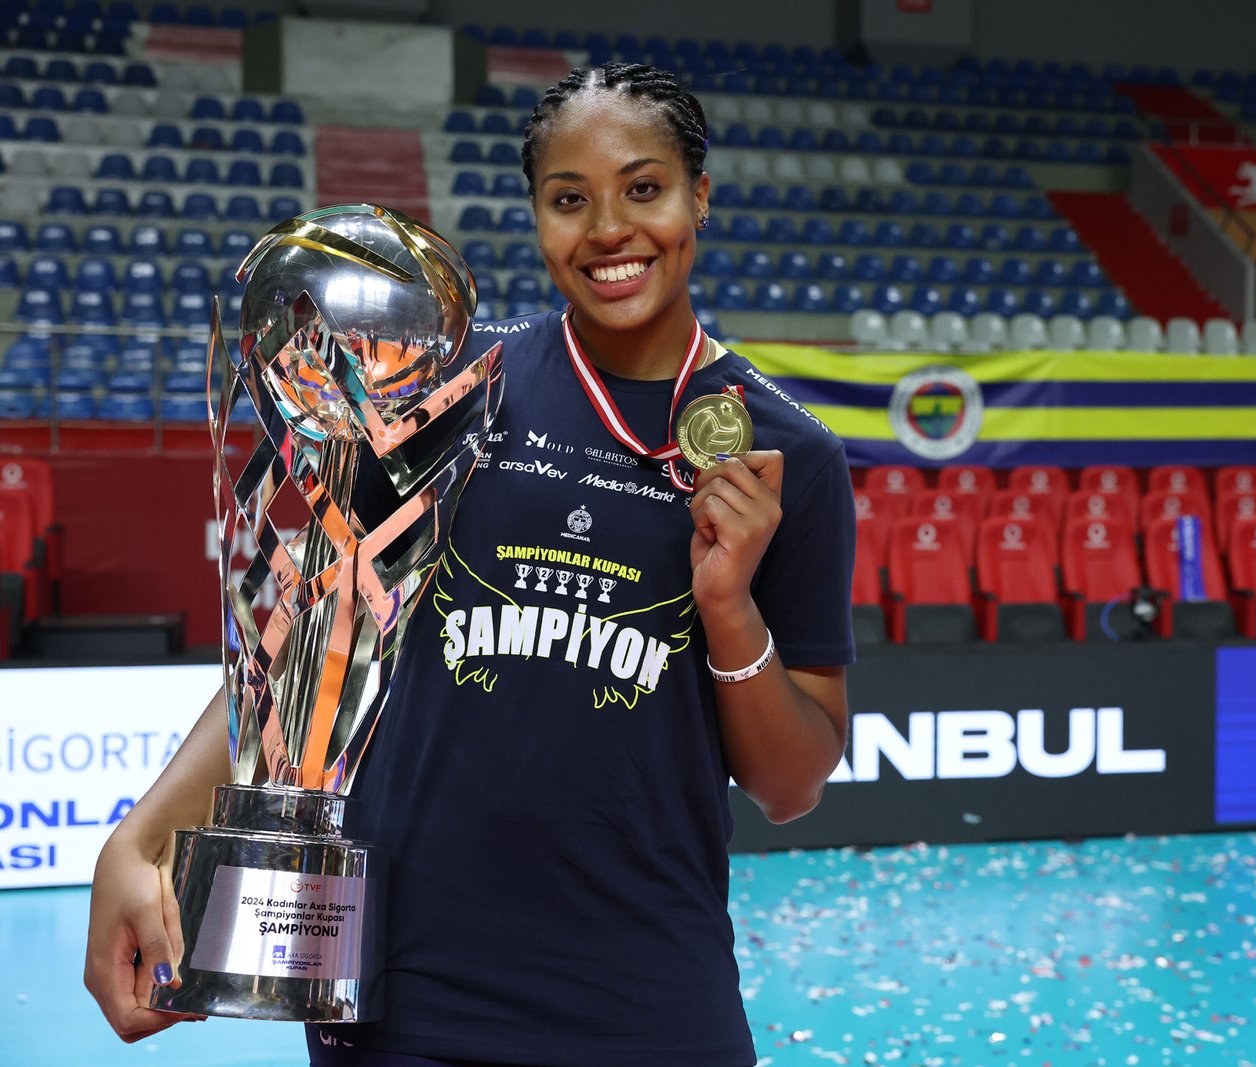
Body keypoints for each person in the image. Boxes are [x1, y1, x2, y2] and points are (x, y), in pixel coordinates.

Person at [84, 62, 857, 1067]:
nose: (609, 228)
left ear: (698, 196)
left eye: (644, 188)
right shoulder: (439, 385)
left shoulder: (789, 454)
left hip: (649, 999)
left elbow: (791, 784)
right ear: (536, 214)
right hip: (404, 997)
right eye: (569, 199)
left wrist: (730, 611)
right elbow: (310, 644)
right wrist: (137, 837)